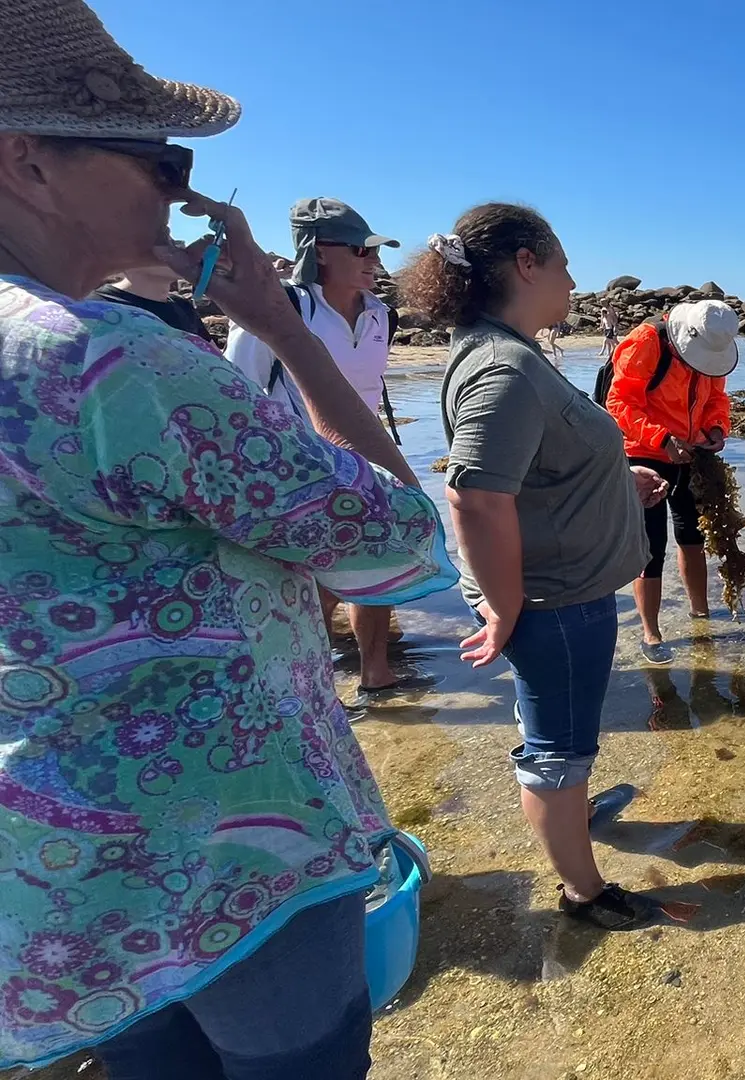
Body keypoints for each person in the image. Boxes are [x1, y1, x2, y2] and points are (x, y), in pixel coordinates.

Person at [0, 6, 457, 1073]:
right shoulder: (114, 364)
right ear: (27, 161)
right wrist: (280, 322)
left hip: (61, 863)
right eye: (159, 160)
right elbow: (397, 541)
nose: (185, 186)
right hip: (231, 852)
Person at [402, 202, 675, 933]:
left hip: (557, 598)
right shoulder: (504, 368)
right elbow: (473, 497)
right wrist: (504, 607)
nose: (572, 279)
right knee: (557, 749)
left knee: (559, 731)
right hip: (552, 606)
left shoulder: (505, 350)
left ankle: (572, 813)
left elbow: (529, 474)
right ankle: (584, 892)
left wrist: (621, 482)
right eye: (561, 264)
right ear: (526, 264)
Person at [225, 198, 413, 704]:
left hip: (365, 462)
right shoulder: (280, 309)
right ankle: (309, 682)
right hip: (295, 469)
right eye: (361, 249)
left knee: (376, 561)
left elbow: (368, 392)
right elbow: (237, 395)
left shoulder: (381, 315)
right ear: (319, 251)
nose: (374, 261)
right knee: (312, 580)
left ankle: (377, 674)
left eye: (376, 250)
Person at [603, 299, 739, 663]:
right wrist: (663, 439)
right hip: (643, 453)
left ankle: (701, 614)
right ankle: (651, 632)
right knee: (651, 546)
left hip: (691, 453)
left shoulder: (713, 350)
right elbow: (619, 404)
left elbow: (717, 398)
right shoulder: (646, 342)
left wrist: (716, 428)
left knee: (693, 535)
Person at [89, 264, 208, 336]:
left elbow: (212, 357)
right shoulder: (92, 307)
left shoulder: (181, 305)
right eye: (159, 245)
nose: (174, 253)